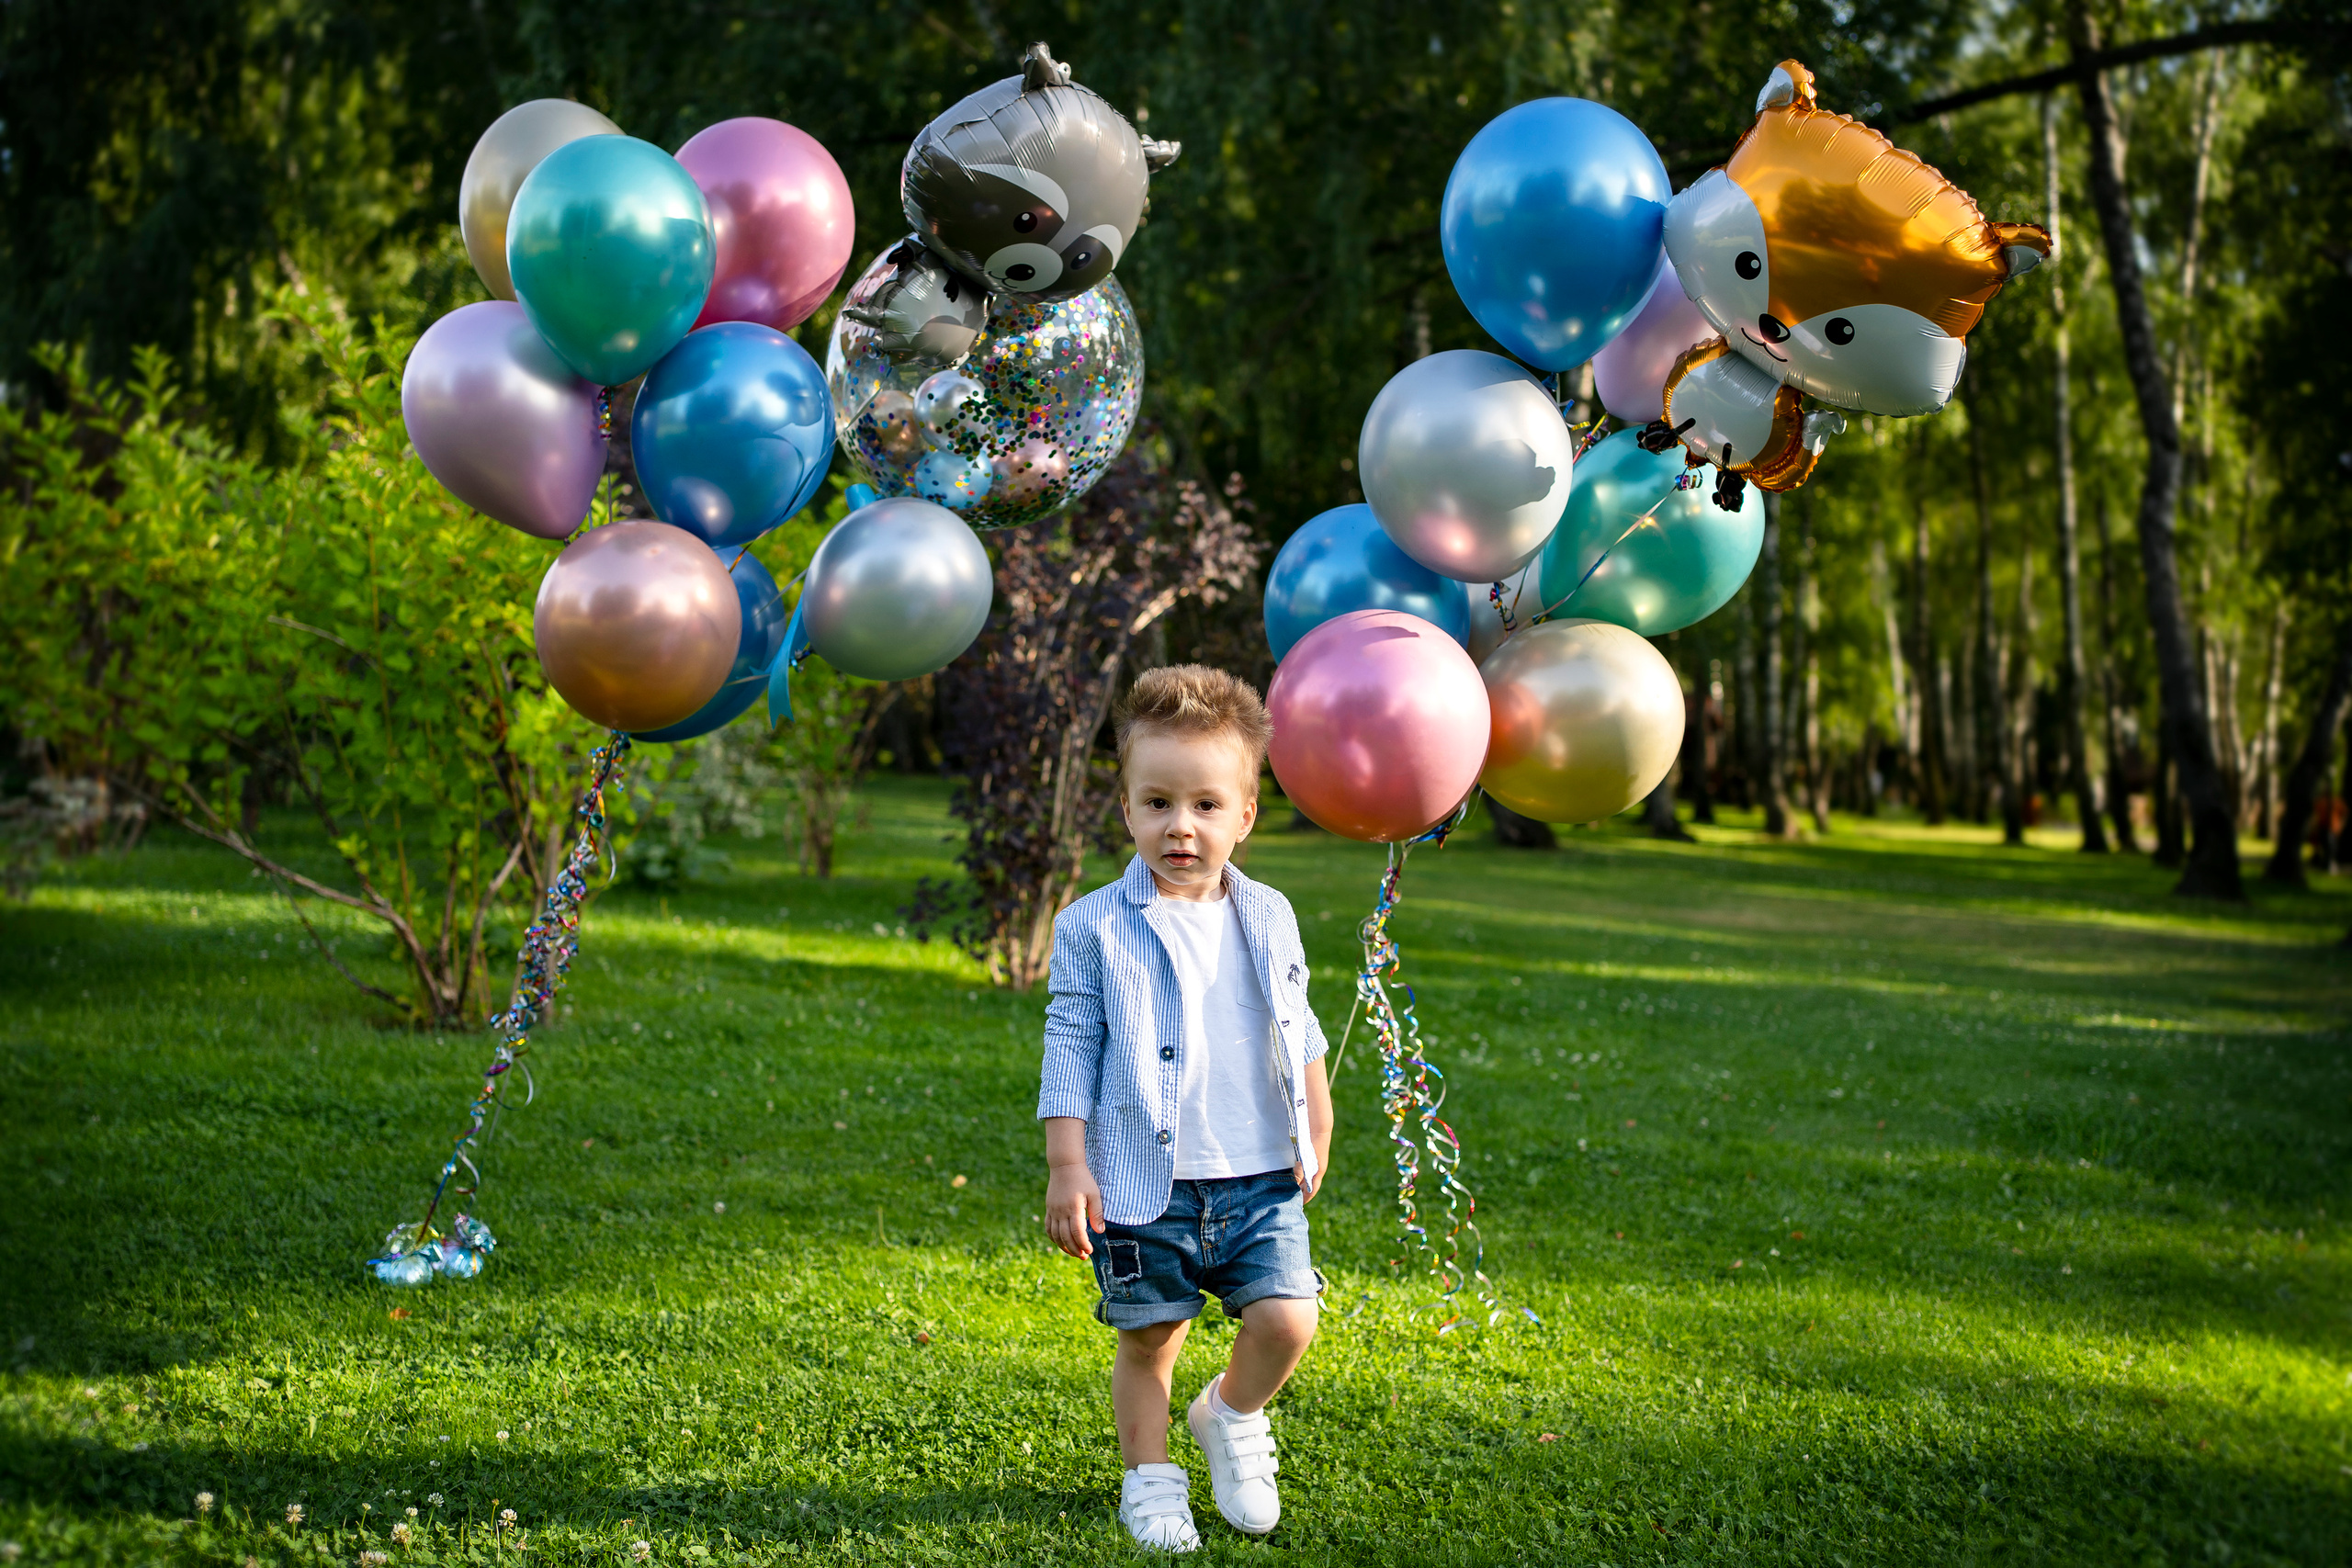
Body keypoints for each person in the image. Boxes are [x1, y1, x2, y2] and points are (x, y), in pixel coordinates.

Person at [1038, 664, 1334, 1551]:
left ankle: (1229, 1414)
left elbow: (1297, 1019)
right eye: (1158, 802)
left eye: (1206, 804)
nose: (1181, 825)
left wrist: (1318, 1120)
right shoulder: (1092, 926)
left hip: (1258, 1175)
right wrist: (1067, 1164)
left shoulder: (1271, 913)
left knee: (1289, 1317)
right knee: (1151, 1337)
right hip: (1143, 1183)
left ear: (1245, 815)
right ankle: (1150, 1478)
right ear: (1126, 807)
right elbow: (1069, 1045)